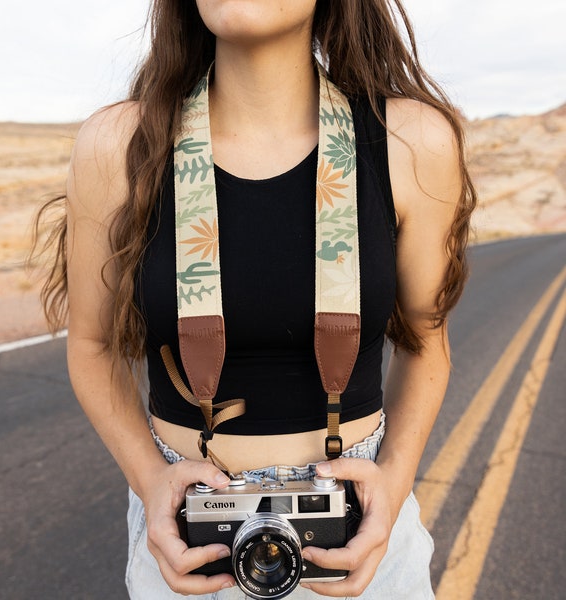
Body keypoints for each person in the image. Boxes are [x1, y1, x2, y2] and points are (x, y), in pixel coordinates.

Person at [35, 1, 476, 597]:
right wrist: (150, 481)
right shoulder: (118, 145)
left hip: (357, 540)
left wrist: (393, 484)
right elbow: (90, 345)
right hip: (190, 543)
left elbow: (426, 345)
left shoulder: (409, 142)